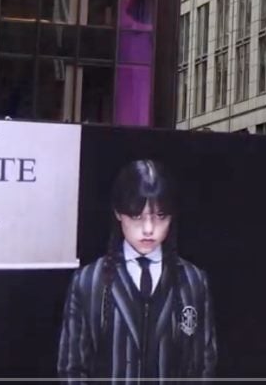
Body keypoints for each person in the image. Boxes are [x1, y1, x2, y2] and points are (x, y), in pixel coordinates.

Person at [57, 159, 217, 382]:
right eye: (136, 216)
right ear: (117, 213)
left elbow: (203, 368)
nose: (149, 229)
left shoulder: (193, 282)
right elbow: (71, 370)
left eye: (160, 216)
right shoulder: (88, 282)